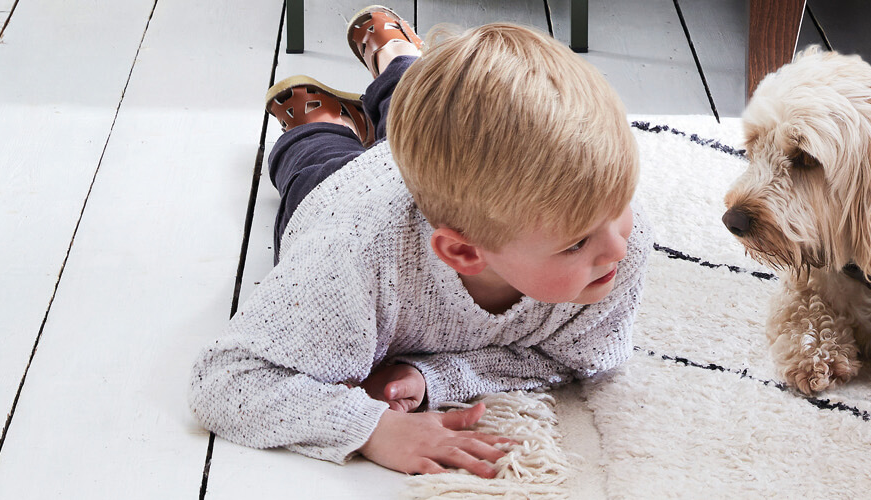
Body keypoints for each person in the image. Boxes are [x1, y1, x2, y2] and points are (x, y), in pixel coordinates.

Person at [189, 7, 648, 479]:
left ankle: (400, 57)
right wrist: (371, 428)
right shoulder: (348, 259)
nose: (618, 248)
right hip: (343, 192)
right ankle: (323, 122)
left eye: (620, 207)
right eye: (576, 244)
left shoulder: (610, 238)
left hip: (438, 192)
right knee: (314, 158)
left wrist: (435, 377)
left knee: (432, 121)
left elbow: (581, 355)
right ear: (464, 252)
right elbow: (226, 380)